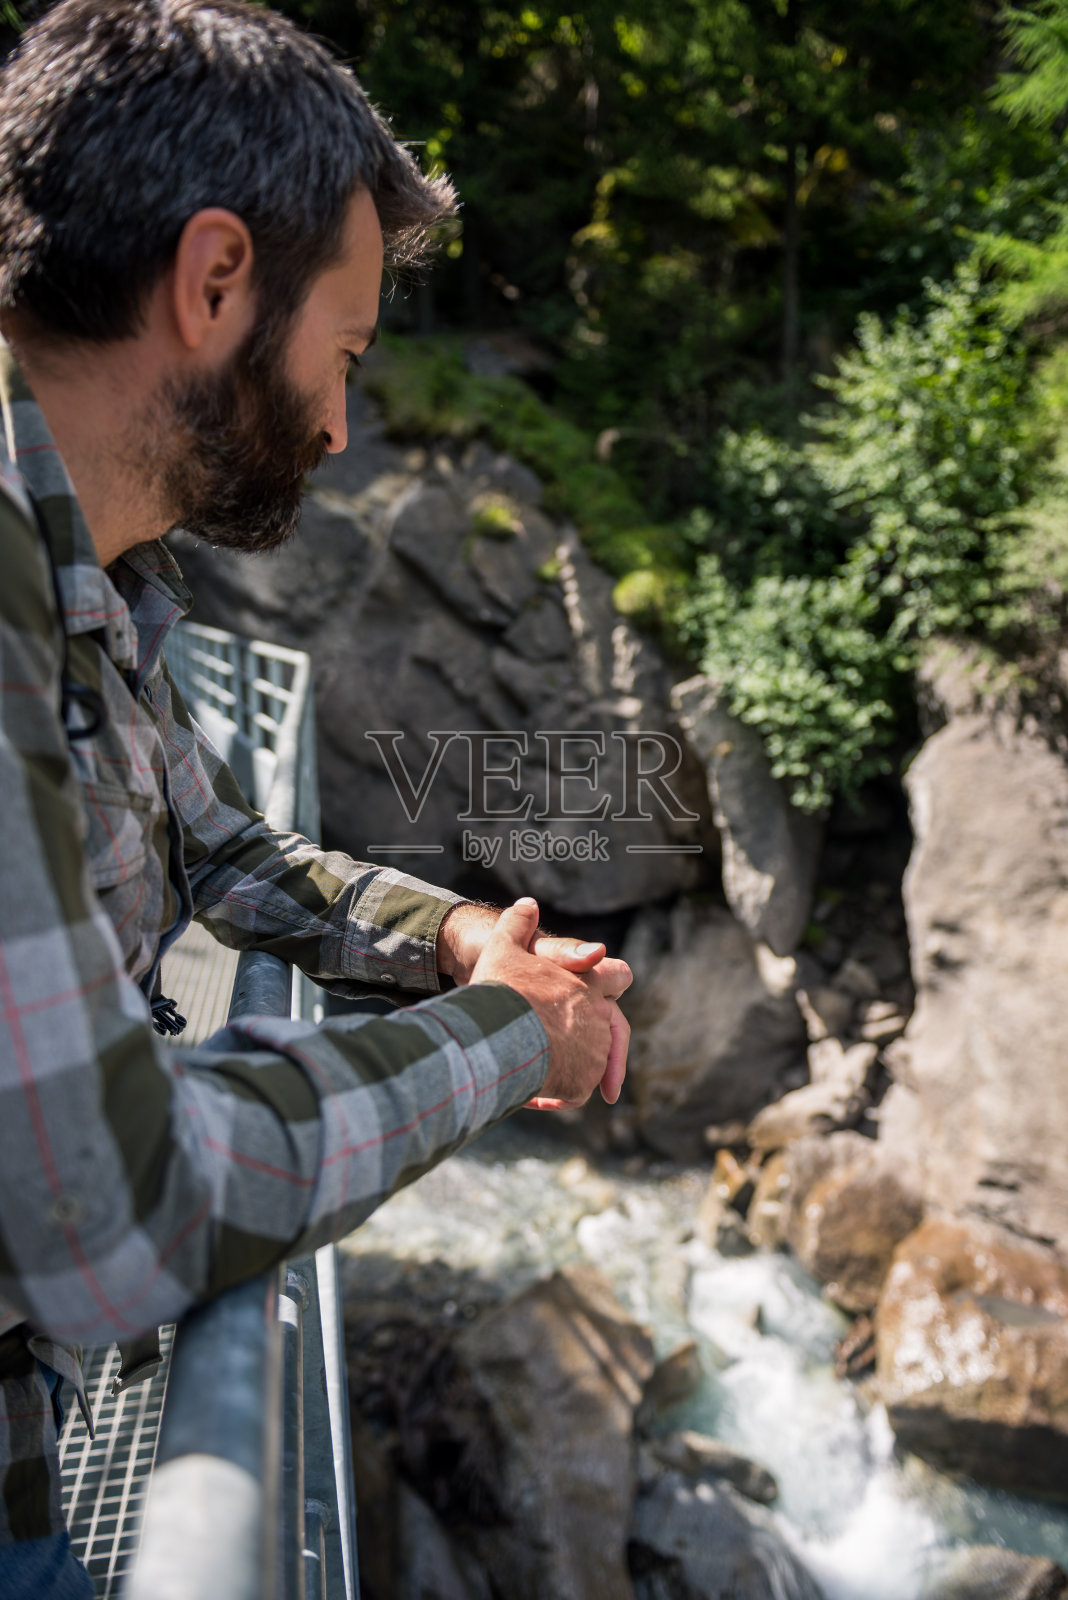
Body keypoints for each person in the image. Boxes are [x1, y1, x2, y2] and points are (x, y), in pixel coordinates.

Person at [0, 1, 631, 1592]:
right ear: (216, 283)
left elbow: (217, 842)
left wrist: (462, 940)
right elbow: (122, 1209)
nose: (344, 423)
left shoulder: (89, 577)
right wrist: (510, 1041)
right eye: (341, 353)